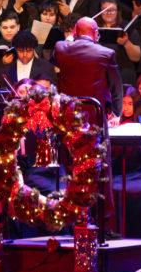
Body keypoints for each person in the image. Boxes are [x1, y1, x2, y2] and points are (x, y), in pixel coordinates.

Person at [50, 17, 122, 235]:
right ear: (96, 33)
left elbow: (58, 54)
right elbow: (116, 86)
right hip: (95, 121)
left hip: (68, 122)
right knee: (101, 172)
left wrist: (71, 38)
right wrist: (116, 112)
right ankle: (104, 225)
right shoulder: (105, 53)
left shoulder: (61, 48)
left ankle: (75, 221)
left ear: (74, 31)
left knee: (72, 171)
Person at [95, 0, 141, 85]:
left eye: (112, 10)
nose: (109, 12)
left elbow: (136, 57)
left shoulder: (127, 28)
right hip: (99, 76)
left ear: (118, 11)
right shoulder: (93, 28)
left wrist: (126, 43)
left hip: (123, 76)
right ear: (99, 12)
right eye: (105, 9)